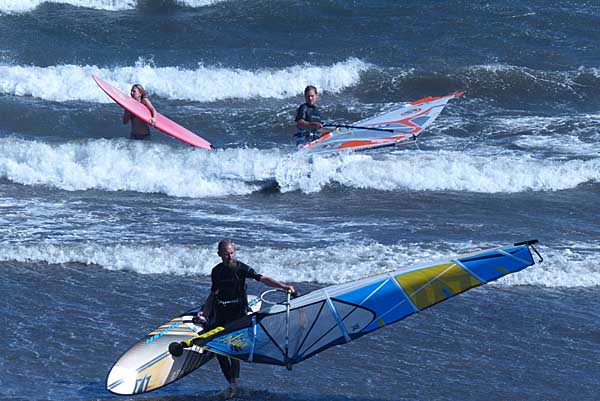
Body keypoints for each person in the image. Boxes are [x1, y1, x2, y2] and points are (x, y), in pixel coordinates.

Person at [198, 240, 295, 399]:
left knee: (233, 347)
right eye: (226, 253)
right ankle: (232, 384)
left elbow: (262, 278)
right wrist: (204, 312)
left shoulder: (240, 268)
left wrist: (282, 286)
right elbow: (213, 294)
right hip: (221, 310)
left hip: (238, 312)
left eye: (231, 253)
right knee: (219, 349)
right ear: (219, 254)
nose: (229, 256)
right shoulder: (216, 271)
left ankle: (234, 384)